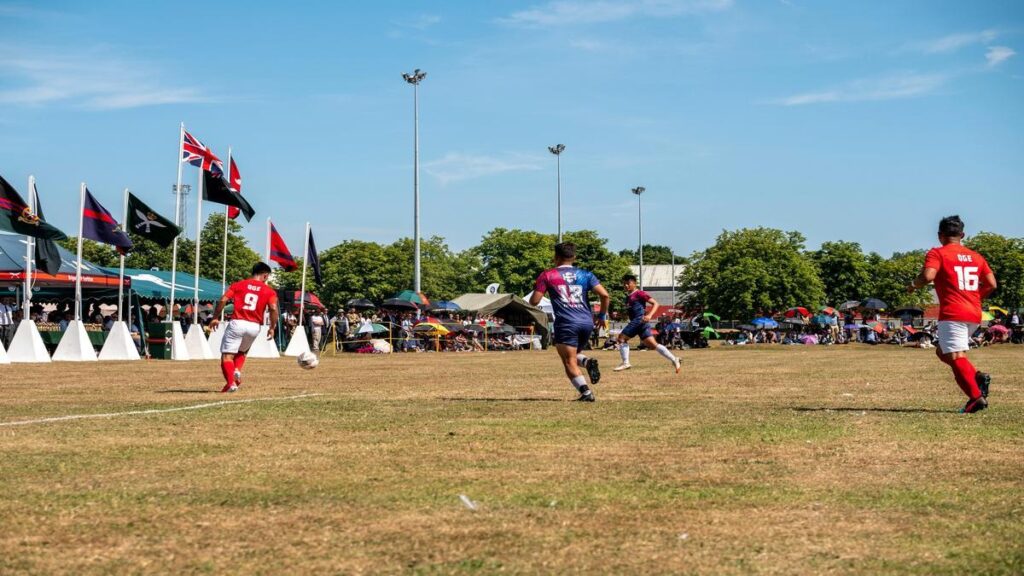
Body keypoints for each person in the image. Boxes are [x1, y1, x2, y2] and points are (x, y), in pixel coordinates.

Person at [909, 215, 997, 413]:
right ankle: (977, 377)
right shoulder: (976, 257)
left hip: (953, 312)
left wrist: (913, 285)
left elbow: (928, 275)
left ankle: (976, 398)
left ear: (940, 236)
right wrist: (975, 297)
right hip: (974, 313)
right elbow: (992, 284)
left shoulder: (938, 253)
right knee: (942, 351)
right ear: (962, 235)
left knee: (956, 355)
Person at [529, 242, 610, 402]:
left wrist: (538, 287)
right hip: (586, 322)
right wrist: (601, 316)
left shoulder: (547, 275)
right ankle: (587, 362)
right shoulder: (586, 275)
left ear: (556, 257)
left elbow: (534, 301)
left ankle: (585, 392)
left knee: (568, 360)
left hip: (566, 322)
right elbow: (605, 295)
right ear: (574, 257)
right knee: (574, 354)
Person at [210, 262, 280, 393]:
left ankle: (231, 383)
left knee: (226, 357)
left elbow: (223, 299)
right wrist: (272, 327)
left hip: (238, 322)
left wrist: (215, 317)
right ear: (265, 275)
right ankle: (236, 371)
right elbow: (273, 308)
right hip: (254, 326)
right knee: (241, 352)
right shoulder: (269, 291)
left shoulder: (239, 285)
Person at [613, 274, 681, 373]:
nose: (626, 286)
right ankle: (674, 359)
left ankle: (626, 362)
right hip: (640, 322)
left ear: (634, 283)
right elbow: (630, 312)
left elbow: (656, 304)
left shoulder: (639, 293)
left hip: (639, 320)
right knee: (653, 344)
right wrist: (619, 315)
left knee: (621, 338)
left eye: (628, 283)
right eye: (624, 284)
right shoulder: (627, 297)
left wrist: (649, 315)